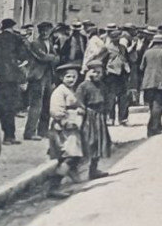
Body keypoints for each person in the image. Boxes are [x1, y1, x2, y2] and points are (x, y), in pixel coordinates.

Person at [0, 17, 32, 143]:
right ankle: (10, 136)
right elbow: (24, 56)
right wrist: (19, 67)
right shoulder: (17, 39)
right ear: (12, 27)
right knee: (11, 107)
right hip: (12, 78)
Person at [45, 64, 86, 197]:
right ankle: (53, 188)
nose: (71, 79)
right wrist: (66, 121)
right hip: (62, 128)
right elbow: (56, 111)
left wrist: (80, 110)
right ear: (62, 77)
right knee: (69, 156)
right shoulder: (59, 91)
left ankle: (70, 173)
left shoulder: (70, 90)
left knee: (72, 155)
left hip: (72, 126)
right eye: (68, 76)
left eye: (74, 77)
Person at [22, 22, 58, 140]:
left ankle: (43, 130)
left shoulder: (50, 43)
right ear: (39, 31)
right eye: (42, 30)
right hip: (37, 76)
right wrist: (52, 57)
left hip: (48, 75)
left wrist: (53, 57)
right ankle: (30, 132)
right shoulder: (35, 43)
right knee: (36, 104)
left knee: (47, 103)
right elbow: (43, 58)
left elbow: (56, 58)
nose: (44, 32)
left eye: (47, 30)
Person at [77, 63, 113, 179]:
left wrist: (107, 111)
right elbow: (79, 103)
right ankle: (74, 170)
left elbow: (107, 99)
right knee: (89, 142)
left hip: (100, 117)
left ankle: (93, 169)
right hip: (89, 116)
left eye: (99, 72)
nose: (97, 74)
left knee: (99, 142)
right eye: (94, 72)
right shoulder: (83, 86)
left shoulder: (102, 85)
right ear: (87, 72)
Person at [140, 30, 162, 136]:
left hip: (147, 82)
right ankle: (152, 128)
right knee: (158, 105)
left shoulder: (147, 52)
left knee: (151, 105)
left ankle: (157, 124)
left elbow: (141, 67)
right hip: (160, 82)